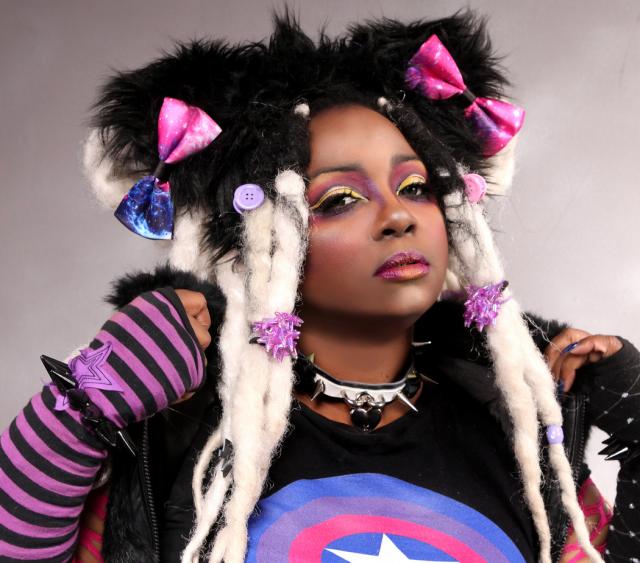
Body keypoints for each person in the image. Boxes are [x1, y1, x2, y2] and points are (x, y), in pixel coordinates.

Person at [1, 12, 639, 563]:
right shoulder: (186, 440)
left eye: (416, 187)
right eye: (338, 199)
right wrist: (79, 408)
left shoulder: (519, 435)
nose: (398, 215)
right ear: (250, 244)